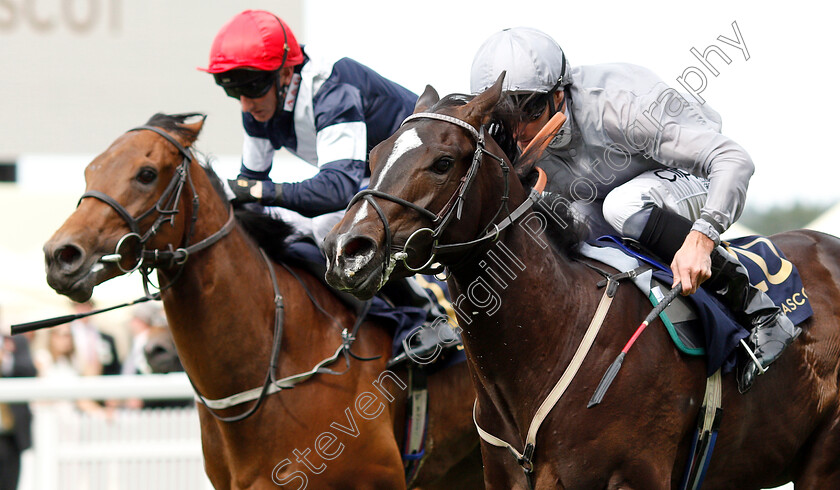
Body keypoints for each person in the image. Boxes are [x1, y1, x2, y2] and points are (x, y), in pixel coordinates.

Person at [470, 27, 799, 393]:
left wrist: (702, 238)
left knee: (622, 206)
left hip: (690, 177)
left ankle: (758, 310)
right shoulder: (508, 137)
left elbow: (733, 160)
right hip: (606, 196)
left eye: (527, 110)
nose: (517, 133)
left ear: (558, 94)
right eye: (502, 117)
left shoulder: (621, 106)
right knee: (563, 222)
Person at [199, 9, 418, 245]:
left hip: (425, 175)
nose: (245, 105)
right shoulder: (259, 105)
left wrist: (259, 191)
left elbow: (336, 190)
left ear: (284, 74)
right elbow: (250, 185)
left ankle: (425, 284)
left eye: (251, 88)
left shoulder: (333, 91)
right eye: (233, 91)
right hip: (369, 180)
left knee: (326, 228)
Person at [0, 308, 36, 490]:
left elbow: (30, 371)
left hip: (10, 432)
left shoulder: (15, 340)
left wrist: (6, 361)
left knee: (10, 484)